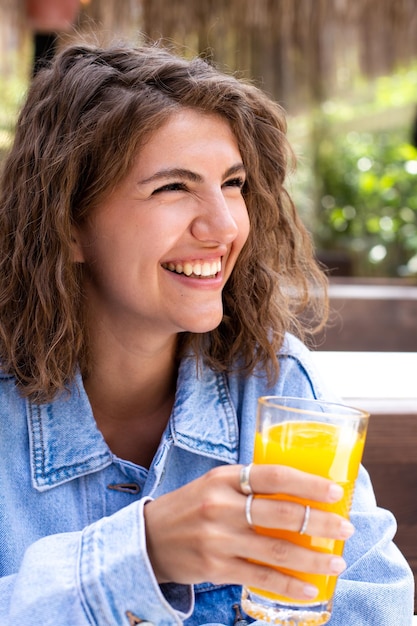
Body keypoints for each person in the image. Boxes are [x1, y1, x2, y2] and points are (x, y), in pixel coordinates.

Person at [0, 40, 413, 626]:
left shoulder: (272, 381)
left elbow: (373, 608)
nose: (223, 225)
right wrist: (142, 555)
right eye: (173, 187)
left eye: (234, 184)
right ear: (67, 223)